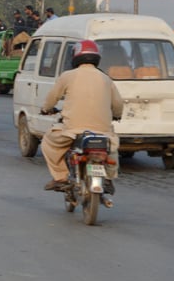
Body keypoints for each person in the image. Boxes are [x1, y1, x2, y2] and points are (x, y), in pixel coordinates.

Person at [40, 40, 123, 192]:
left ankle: (60, 177)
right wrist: (117, 115)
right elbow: (118, 104)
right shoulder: (105, 78)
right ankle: (109, 179)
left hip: (73, 131)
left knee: (48, 143)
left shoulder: (68, 76)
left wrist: (46, 109)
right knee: (111, 149)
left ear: (75, 57)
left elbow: (52, 97)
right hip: (102, 131)